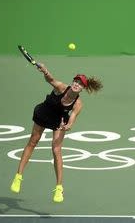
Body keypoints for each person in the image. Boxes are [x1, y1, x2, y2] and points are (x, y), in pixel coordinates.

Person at [10, 63, 103, 202]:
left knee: (57, 150)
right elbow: (50, 79)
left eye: (80, 84)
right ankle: (18, 177)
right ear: (72, 82)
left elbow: (71, 121)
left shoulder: (78, 104)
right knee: (33, 142)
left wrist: (65, 127)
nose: (77, 84)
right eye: (76, 81)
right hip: (44, 112)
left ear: (82, 89)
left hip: (59, 120)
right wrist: (45, 70)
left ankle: (59, 188)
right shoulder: (61, 88)